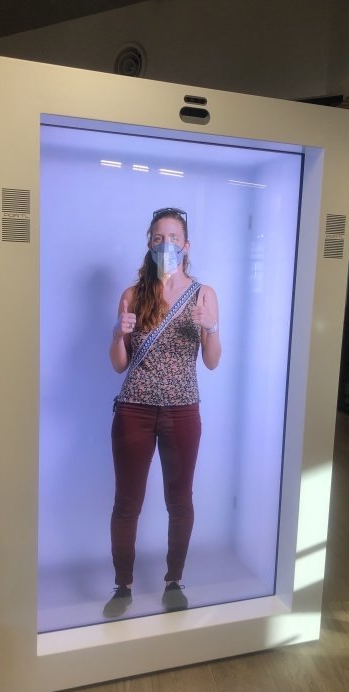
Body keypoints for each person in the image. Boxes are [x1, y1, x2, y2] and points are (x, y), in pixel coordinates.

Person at [104, 207, 221, 618]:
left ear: (186, 245)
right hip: (133, 409)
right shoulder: (133, 295)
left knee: (180, 499)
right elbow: (119, 363)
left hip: (183, 410)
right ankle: (123, 585)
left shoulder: (204, 295)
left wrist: (210, 328)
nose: (165, 244)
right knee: (127, 502)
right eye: (158, 238)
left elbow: (212, 362)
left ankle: (174, 579)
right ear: (149, 244)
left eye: (173, 237)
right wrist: (120, 333)